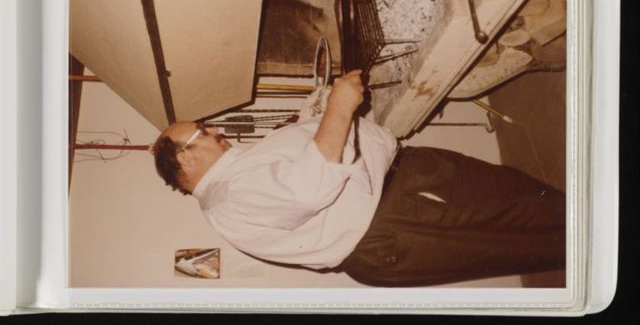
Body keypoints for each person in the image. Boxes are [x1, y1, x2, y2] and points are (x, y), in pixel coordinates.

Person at [152, 70, 565, 286]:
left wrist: (313, 116)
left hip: (398, 206)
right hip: (401, 210)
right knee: (527, 211)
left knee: (526, 225)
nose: (215, 130)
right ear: (185, 158)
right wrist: (339, 106)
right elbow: (309, 187)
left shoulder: (232, 182)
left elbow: (299, 166)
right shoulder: (229, 196)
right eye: (202, 132)